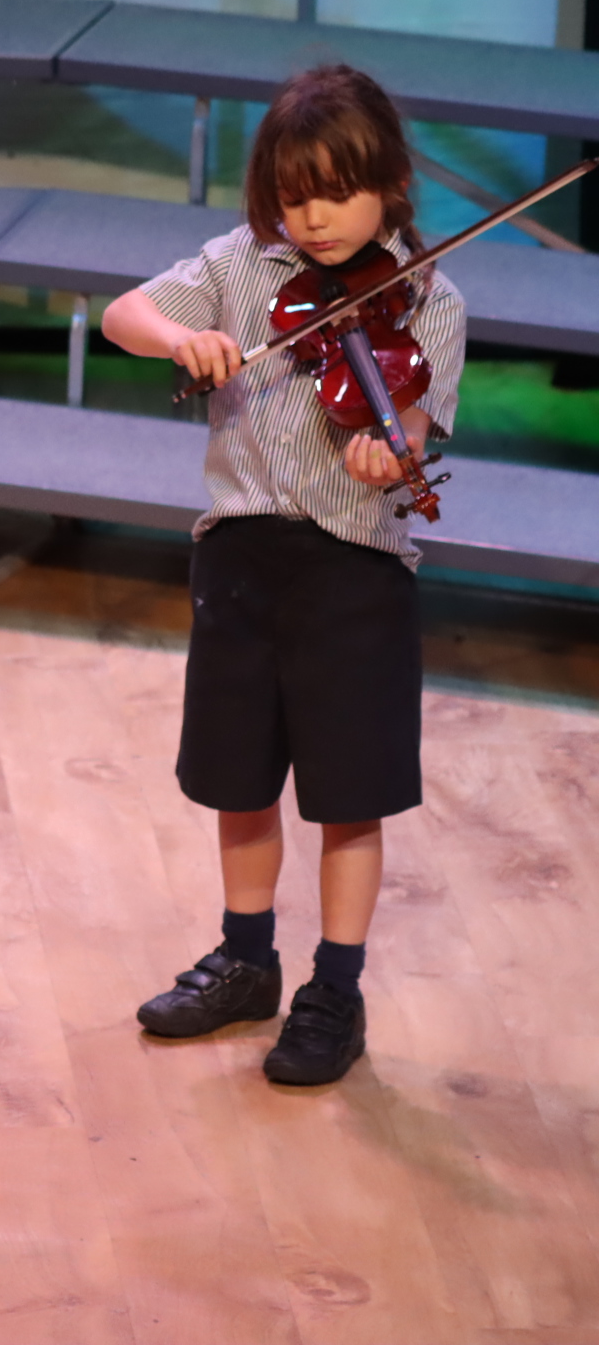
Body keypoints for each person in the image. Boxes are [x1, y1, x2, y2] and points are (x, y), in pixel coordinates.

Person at [99, 63, 463, 1086]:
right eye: (295, 196)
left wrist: (390, 451)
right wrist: (184, 337)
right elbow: (123, 314)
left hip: (355, 568)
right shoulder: (240, 264)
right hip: (241, 556)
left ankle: (335, 990)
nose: (315, 219)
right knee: (240, 780)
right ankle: (246, 960)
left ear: (392, 184)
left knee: (350, 797)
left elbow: (412, 422)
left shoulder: (432, 298)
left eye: (338, 194)